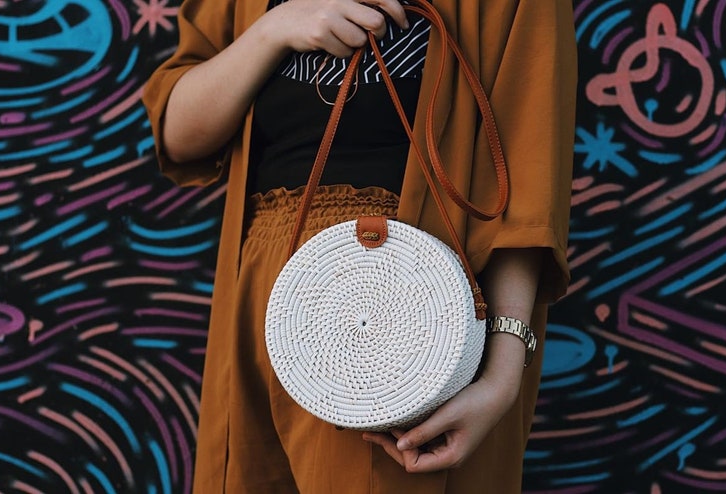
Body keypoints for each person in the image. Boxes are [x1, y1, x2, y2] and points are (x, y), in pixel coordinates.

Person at [142, 0, 577, 492]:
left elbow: (529, 174)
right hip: (258, 292)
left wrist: (501, 375)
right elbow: (178, 133)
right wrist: (274, 30)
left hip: (409, 310)